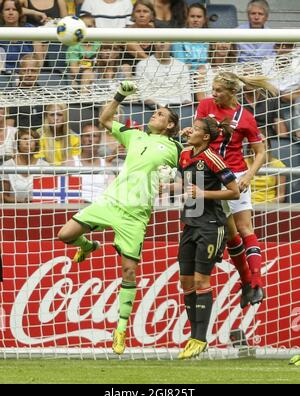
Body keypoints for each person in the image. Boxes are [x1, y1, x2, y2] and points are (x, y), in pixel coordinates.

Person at [57, 81, 183, 355]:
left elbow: (187, 177)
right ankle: (88, 246)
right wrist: (119, 96)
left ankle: (121, 330)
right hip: (110, 201)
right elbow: (104, 119)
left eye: (161, 114)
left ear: (171, 125)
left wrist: (170, 180)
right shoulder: (134, 134)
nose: (155, 115)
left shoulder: (175, 149)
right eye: (156, 112)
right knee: (65, 235)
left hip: (135, 214)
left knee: (128, 271)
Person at [192, 72, 278, 308]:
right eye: (213, 88)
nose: (214, 94)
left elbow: (260, 152)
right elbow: (198, 135)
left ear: (232, 92)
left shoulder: (246, 117)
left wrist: (249, 176)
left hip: (236, 175)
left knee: (244, 227)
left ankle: (257, 283)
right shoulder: (205, 106)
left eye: (219, 90)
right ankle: (247, 283)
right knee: (231, 234)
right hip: (210, 176)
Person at [175, 116, 240, 359]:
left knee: (202, 281)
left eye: (196, 129)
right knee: (186, 282)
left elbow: (233, 192)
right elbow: (185, 184)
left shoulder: (213, 157)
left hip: (211, 226)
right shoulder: (185, 154)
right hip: (189, 225)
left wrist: (203, 193)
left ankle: (199, 339)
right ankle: (194, 337)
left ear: (205, 137)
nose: (190, 130)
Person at [135, 42, 192, 107]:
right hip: (152, 111)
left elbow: (186, 96)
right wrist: (162, 110)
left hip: (179, 111)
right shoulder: (142, 65)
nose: (162, 42)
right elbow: (145, 96)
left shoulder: (182, 66)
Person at [1, 128, 48, 203]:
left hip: (38, 209)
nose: (28, 143)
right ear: (17, 143)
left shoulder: (44, 166)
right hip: (14, 210)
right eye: (25, 139)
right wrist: (21, 201)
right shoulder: (7, 165)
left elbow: (47, 195)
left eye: (31, 140)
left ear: (36, 144)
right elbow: (4, 196)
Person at [121, 0, 155, 79]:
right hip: (130, 73)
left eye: (145, 11)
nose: (142, 15)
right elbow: (141, 55)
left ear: (152, 15)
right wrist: (157, 65)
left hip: (153, 73)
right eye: (138, 11)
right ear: (133, 15)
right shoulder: (124, 32)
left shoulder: (158, 32)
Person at [66, 14, 101, 88]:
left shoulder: (99, 43)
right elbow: (74, 70)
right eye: (83, 27)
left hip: (99, 74)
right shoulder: (74, 46)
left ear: (95, 27)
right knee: (87, 74)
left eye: (89, 26)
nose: (86, 30)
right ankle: (84, 98)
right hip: (79, 77)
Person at [172, 3, 209, 72]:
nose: (195, 20)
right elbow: (180, 65)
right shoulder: (178, 36)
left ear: (204, 20)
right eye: (192, 16)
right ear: (187, 18)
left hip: (206, 75)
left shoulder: (211, 36)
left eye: (199, 17)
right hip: (184, 75)